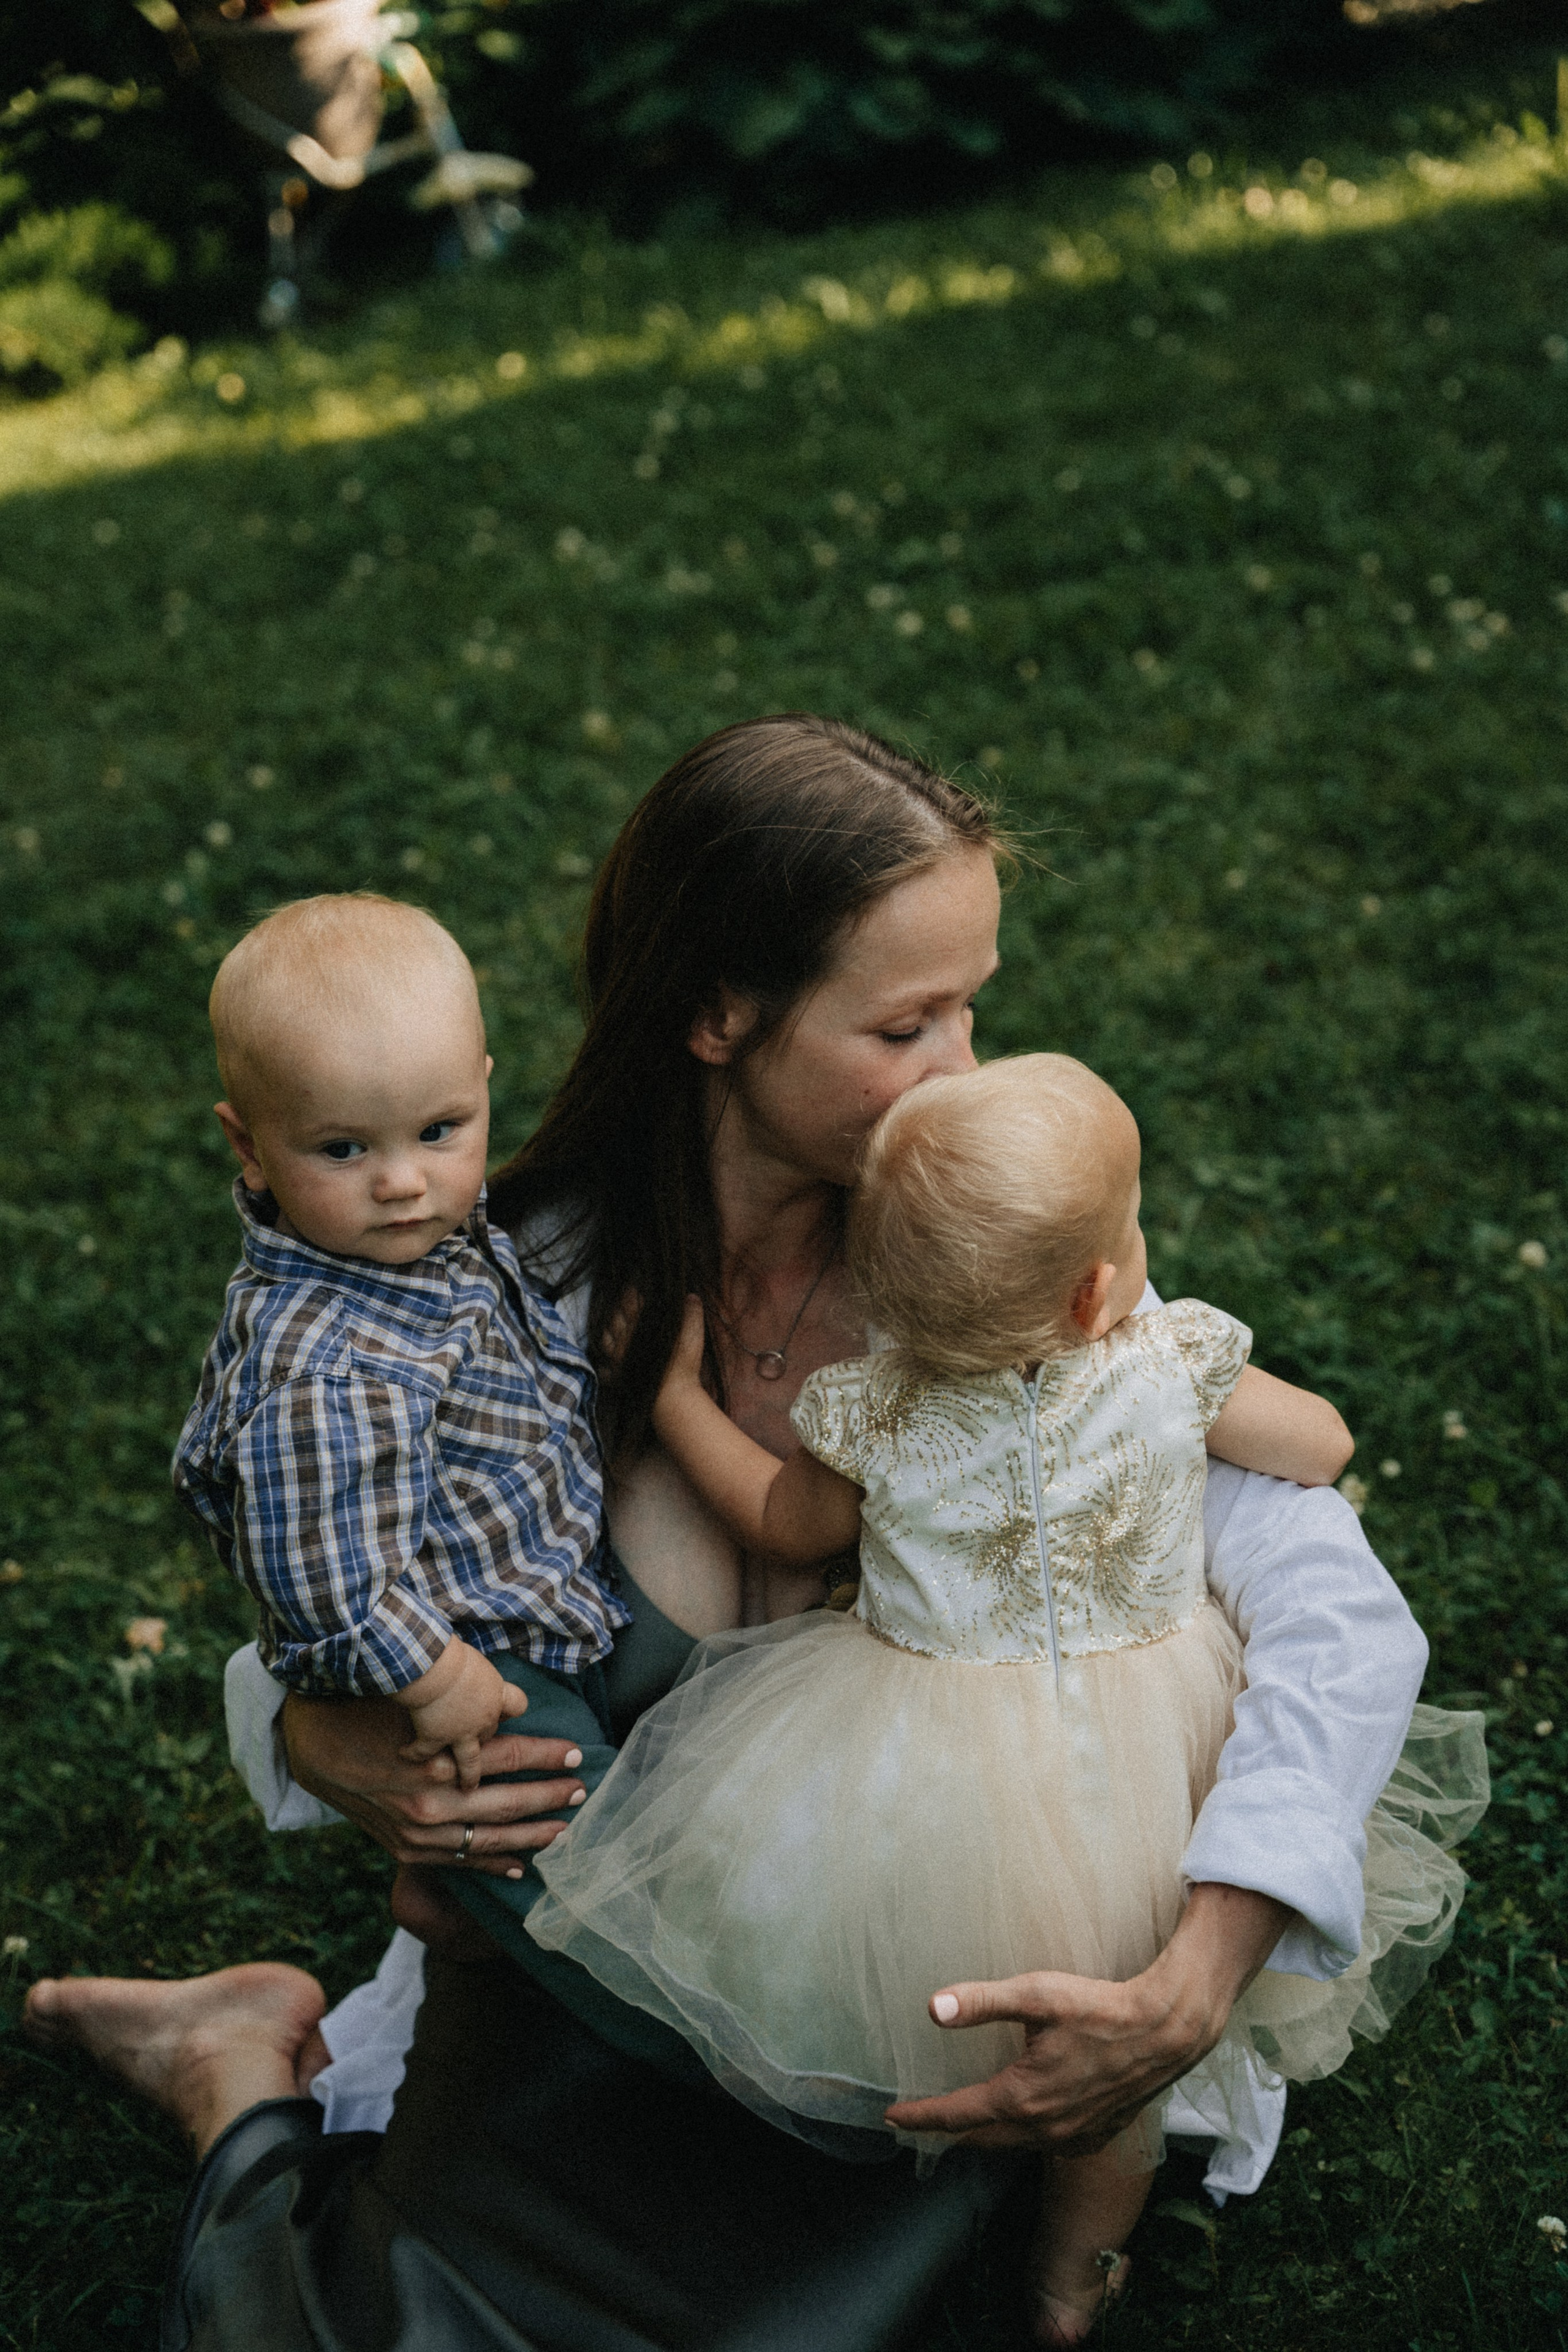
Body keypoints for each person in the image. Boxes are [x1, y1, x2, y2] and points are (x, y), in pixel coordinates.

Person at [27, 718, 1447, 2352]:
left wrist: (1193, 1980)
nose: (965, 1072)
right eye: (908, 1022)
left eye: (972, 1006)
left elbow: (1330, 1607)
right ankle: (236, 2068)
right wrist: (315, 1730)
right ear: (717, 1015)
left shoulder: (994, 1251)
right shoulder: (515, 1290)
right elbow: (337, 1562)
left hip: (908, 2024)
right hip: (588, 2022)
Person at [528, 1053, 1485, 2344]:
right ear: (1097, 1290)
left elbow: (778, 1519)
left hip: (923, 1767)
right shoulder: (1169, 1362)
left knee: (884, 1953)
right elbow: (1319, 1448)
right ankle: (1068, 2281)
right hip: (1152, 1761)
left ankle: (877, 2147)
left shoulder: (876, 1415)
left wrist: (676, 1399)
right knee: (1114, 2049)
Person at [173, 892, 629, 1793]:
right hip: (468, 1659)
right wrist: (439, 1678)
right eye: (343, 1149)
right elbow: (319, 1576)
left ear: (482, 1090)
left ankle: (455, 1925)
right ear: (249, 1144)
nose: (403, 1182)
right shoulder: (326, 1373)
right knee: (574, 1829)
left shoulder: (411, 1246)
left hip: (523, 1596)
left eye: (438, 1131)